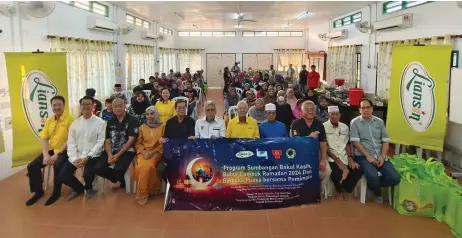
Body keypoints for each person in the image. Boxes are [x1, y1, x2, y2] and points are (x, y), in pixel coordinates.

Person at [25, 96, 74, 206]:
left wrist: (58, 154)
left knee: (57, 165)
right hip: (52, 150)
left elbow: (70, 140)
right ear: (51, 106)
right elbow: (44, 138)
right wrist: (46, 154)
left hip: (66, 150)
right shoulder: (50, 120)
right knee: (32, 166)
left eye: (59, 105)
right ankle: (38, 192)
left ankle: (56, 193)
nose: (56, 107)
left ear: (64, 105)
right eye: (54, 105)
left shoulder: (70, 120)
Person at [350, 98, 400, 204]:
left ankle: (372, 185)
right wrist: (368, 156)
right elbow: (355, 142)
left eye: (368, 107)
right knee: (372, 175)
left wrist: (382, 156)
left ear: (372, 109)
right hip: (363, 156)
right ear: (359, 110)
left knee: (395, 178)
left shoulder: (379, 122)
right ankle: (377, 192)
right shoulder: (355, 123)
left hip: (380, 155)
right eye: (363, 108)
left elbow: (385, 141)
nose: (366, 110)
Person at [60, 96, 106, 201]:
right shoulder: (75, 124)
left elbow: (100, 142)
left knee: (87, 174)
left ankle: (89, 188)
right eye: (83, 104)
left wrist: (87, 157)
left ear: (92, 105)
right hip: (77, 155)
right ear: (80, 106)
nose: (86, 106)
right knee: (63, 174)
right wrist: (74, 158)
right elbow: (70, 142)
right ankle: (79, 188)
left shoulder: (100, 123)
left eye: (88, 104)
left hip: (92, 155)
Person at [94, 98, 139, 189]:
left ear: (125, 106)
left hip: (127, 150)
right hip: (112, 149)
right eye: (115, 106)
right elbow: (107, 140)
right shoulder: (110, 122)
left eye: (120, 106)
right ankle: (116, 178)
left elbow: (131, 140)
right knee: (97, 168)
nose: (118, 108)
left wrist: (117, 156)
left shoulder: (132, 120)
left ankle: (117, 177)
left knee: (119, 169)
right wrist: (110, 154)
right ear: (112, 108)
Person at [290, 100, 331, 197]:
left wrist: (323, 159)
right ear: (302, 111)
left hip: (315, 154)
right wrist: (308, 137)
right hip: (300, 155)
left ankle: (318, 192)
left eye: (312, 109)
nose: (310, 111)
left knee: (327, 171)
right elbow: (295, 142)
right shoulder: (296, 124)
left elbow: (323, 143)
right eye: (307, 109)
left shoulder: (319, 125)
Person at [324, 106, 363, 201]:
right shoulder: (323, 127)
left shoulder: (345, 127)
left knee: (358, 169)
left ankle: (345, 188)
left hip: (344, 155)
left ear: (340, 115)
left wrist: (350, 157)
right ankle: (339, 191)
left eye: (337, 114)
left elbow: (347, 143)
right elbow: (325, 147)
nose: (335, 116)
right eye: (332, 114)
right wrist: (338, 162)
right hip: (331, 157)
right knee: (337, 172)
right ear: (328, 115)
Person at [133, 106, 165, 205]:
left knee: (148, 167)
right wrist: (143, 152)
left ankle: (142, 193)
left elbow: (164, 142)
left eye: (152, 114)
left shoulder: (163, 126)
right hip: (144, 152)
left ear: (156, 114)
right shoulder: (142, 127)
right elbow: (138, 143)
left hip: (156, 153)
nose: (149, 116)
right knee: (140, 167)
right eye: (147, 114)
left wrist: (154, 151)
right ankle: (151, 189)